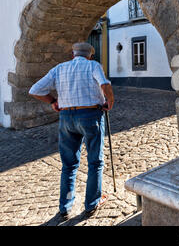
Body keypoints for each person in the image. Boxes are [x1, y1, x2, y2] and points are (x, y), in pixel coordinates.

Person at [29, 42, 115, 220]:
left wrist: (53, 101)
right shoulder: (93, 65)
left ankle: (65, 207)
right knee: (95, 162)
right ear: (89, 55)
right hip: (91, 115)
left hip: (67, 118)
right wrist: (110, 100)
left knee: (69, 165)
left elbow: (35, 90)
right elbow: (104, 84)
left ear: (73, 55)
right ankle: (92, 203)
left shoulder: (59, 68)